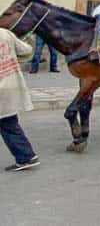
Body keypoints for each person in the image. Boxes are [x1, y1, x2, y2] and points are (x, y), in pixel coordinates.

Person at [0, 27, 40, 171]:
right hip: (11, 84)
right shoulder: (5, 33)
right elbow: (26, 51)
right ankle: (26, 156)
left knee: (7, 124)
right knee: (8, 122)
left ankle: (26, 156)